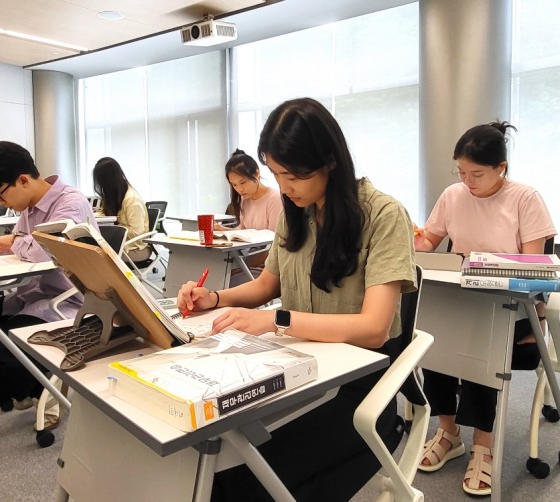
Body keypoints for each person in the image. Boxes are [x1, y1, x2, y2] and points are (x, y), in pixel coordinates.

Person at [177, 97, 417, 501]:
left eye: (293, 175)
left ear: (330, 162)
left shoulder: (383, 215)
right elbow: (266, 286)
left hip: (356, 384)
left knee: (242, 474)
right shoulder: (294, 212)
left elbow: (374, 329)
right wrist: (214, 298)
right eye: (276, 174)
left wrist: (277, 321)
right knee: (206, 454)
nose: (284, 188)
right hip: (298, 366)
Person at [414, 121, 556, 496]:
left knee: (478, 338)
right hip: (461, 302)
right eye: (461, 172)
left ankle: (483, 444)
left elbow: (535, 268)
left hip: (511, 312)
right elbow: (429, 240)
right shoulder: (453, 195)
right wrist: (413, 238)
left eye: (476, 174)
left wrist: (490, 267)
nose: (467, 181)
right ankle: (448, 432)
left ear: (501, 168)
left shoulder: (525, 199)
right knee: (431, 338)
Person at [0, 141, 96, 425]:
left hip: (66, 300)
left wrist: (13, 239)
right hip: (31, 294)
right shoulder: (29, 208)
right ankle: (21, 391)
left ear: (23, 180)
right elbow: (19, 249)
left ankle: (45, 387)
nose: (0, 203)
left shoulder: (71, 202)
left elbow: (42, 251)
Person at [216, 149, 283, 286]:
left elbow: (275, 245)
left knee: (223, 283)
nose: (239, 189)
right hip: (250, 260)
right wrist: (221, 229)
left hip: (267, 267)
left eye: (243, 182)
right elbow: (244, 231)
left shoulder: (274, 198)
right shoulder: (244, 200)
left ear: (256, 173)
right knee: (215, 278)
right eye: (234, 185)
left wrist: (242, 266)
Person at [92, 157, 151, 262]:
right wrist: (92, 216)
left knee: (95, 257)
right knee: (89, 251)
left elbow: (137, 232)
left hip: (135, 248)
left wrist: (114, 230)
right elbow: (105, 213)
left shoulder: (132, 200)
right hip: (118, 246)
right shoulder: (116, 196)